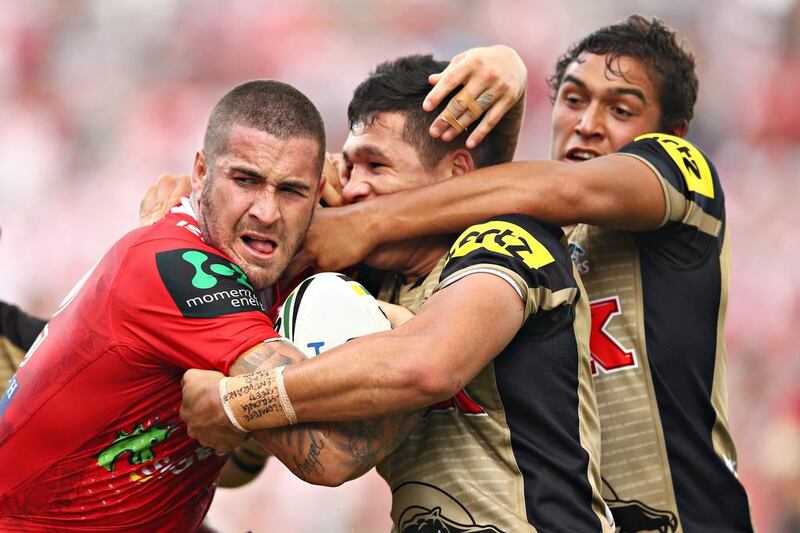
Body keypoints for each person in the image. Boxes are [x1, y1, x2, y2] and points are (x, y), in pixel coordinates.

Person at [292, 15, 754, 533]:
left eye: (620, 108)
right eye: (573, 100)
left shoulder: (680, 182)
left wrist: (363, 221)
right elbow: (482, 183)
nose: (587, 123)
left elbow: (564, 188)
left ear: (672, 133)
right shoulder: (523, 224)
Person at [181, 54, 613, 532]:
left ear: (455, 173)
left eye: (376, 166)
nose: (354, 189)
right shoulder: (367, 283)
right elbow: (243, 471)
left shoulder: (508, 241)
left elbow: (430, 366)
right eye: (348, 167)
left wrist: (238, 400)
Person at [0, 79, 351, 530]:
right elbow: (331, 457)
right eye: (245, 180)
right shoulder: (179, 271)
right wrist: (420, 349)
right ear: (202, 172)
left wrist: (239, 412)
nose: (267, 211)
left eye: (290, 191)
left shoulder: (259, 267)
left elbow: (233, 470)